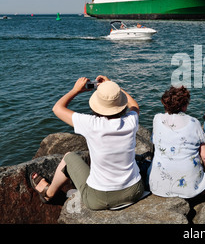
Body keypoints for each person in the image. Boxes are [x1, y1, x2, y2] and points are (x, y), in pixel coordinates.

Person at [29, 76, 144, 210]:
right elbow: (134, 105)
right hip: (135, 191)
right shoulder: (131, 121)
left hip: (100, 199)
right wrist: (113, 88)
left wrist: (75, 90)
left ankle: (48, 193)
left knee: (69, 157)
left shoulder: (91, 124)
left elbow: (57, 108)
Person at [149, 85, 205, 198]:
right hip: (189, 189)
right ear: (184, 105)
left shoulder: (157, 119)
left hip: (158, 186)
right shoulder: (194, 123)